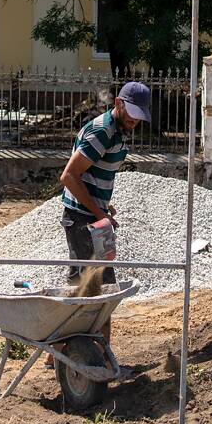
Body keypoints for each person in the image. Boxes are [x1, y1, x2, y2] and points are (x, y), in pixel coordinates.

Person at [48, 81, 151, 368]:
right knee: (100, 288)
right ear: (118, 103)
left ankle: (55, 350)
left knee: (79, 284)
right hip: (82, 218)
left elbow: (92, 174)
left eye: (139, 117)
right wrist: (98, 212)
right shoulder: (102, 132)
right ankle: (101, 357)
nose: (134, 121)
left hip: (89, 213)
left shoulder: (119, 130)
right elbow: (69, 176)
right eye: (131, 113)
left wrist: (104, 204)